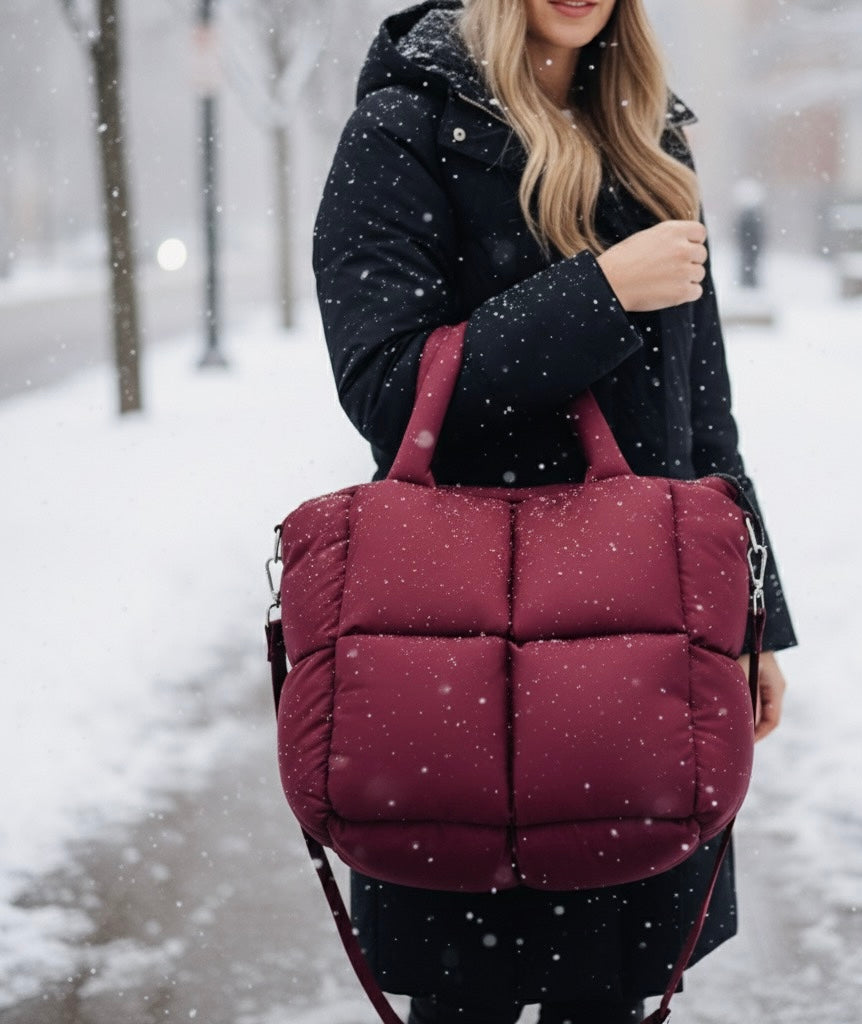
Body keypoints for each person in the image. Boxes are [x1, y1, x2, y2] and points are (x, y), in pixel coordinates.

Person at [312, 1, 797, 1021]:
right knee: (467, 993)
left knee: (615, 991)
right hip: (455, 651)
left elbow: (703, 422)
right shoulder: (402, 128)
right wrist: (600, 293)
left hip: (642, 645)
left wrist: (756, 624)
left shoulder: (646, 136)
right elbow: (388, 386)